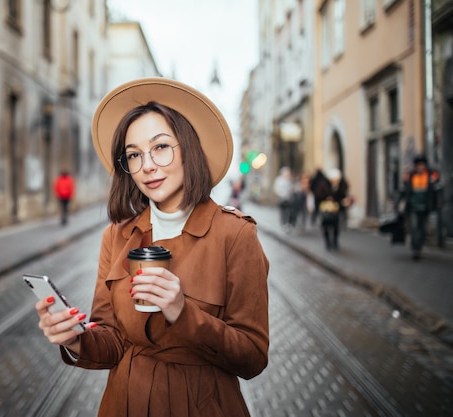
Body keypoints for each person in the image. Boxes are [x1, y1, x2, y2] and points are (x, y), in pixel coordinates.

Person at [35, 78, 270, 416]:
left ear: (188, 148)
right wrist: (74, 338)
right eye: (134, 155)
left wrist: (182, 312)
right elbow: (112, 341)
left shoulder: (235, 235)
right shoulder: (116, 236)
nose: (147, 166)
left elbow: (252, 357)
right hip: (123, 404)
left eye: (161, 147)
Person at [395, 154, 440, 260]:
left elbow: (437, 189)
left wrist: (438, 201)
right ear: (415, 166)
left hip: (425, 206)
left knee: (422, 228)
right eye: (419, 165)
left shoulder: (431, 175)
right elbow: (403, 191)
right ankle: (415, 249)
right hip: (412, 206)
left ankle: (419, 246)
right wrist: (397, 203)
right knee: (414, 227)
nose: (421, 167)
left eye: (422, 165)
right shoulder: (410, 176)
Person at [317, 168, 350, 250]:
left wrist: (342, 203)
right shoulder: (323, 185)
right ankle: (327, 242)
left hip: (336, 209)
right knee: (325, 226)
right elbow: (318, 195)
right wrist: (326, 198)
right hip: (326, 209)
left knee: (336, 226)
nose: (335, 181)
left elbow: (343, 196)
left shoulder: (342, 185)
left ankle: (335, 242)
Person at [273, 166, 294, 231]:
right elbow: (276, 189)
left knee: (288, 212)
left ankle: (287, 223)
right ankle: (284, 223)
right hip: (282, 199)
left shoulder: (289, 180)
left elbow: (291, 189)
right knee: (283, 212)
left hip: (288, 199)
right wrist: (282, 194)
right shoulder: (279, 180)